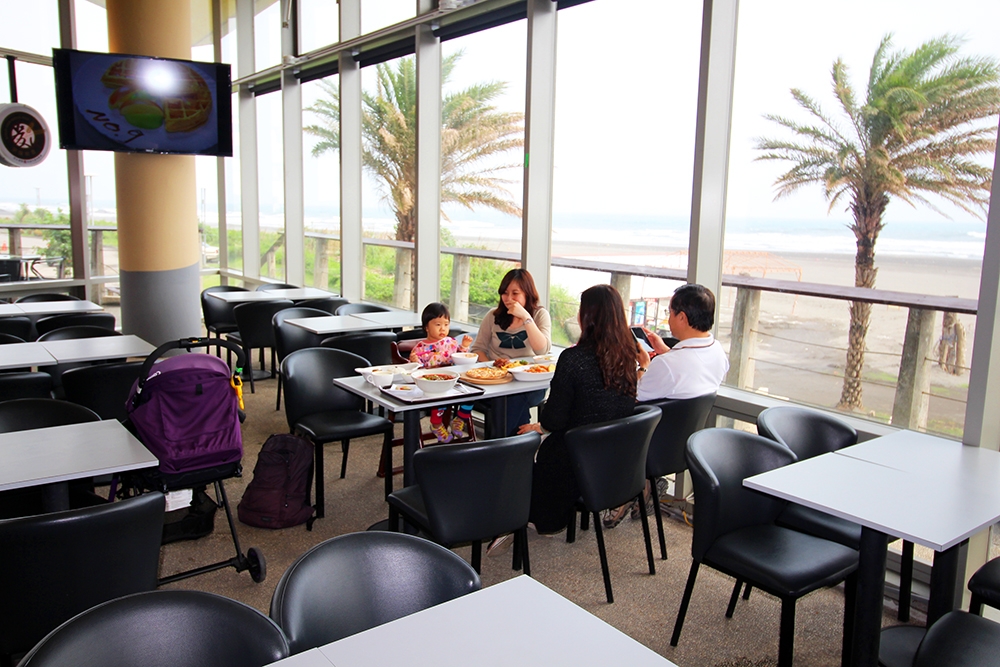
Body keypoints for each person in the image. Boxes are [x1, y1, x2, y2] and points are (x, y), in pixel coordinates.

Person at [517, 284, 638, 534]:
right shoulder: (629, 355)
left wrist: (540, 427)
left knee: (520, 445)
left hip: (573, 455)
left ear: (587, 317)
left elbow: (554, 419)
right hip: (615, 452)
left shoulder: (573, 359)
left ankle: (520, 513)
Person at [470, 268, 552, 434]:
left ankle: (499, 443)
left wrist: (526, 317)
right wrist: (493, 370)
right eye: (505, 293)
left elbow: (542, 350)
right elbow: (478, 349)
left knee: (514, 398)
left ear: (527, 293)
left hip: (530, 383)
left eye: (515, 293)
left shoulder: (539, 315)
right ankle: (516, 444)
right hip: (497, 381)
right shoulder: (493, 316)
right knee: (512, 400)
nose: (508, 299)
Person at [636, 283, 729, 402]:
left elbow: (636, 396)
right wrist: (666, 351)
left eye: (670, 312)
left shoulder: (666, 364)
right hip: (691, 414)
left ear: (681, 317)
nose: (668, 318)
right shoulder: (718, 351)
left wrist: (644, 365)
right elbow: (690, 371)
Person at [409, 302, 475, 442]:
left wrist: (464, 346)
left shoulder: (450, 342)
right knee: (440, 397)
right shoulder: (420, 347)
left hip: (453, 379)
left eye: (446, 324)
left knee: (471, 393)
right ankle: (436, 424)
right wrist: (415, 361)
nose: (443, 328)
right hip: (434, 383)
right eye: (438, 324)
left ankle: (460, 419)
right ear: (426, 327)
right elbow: (416, 371)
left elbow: (460, 357)